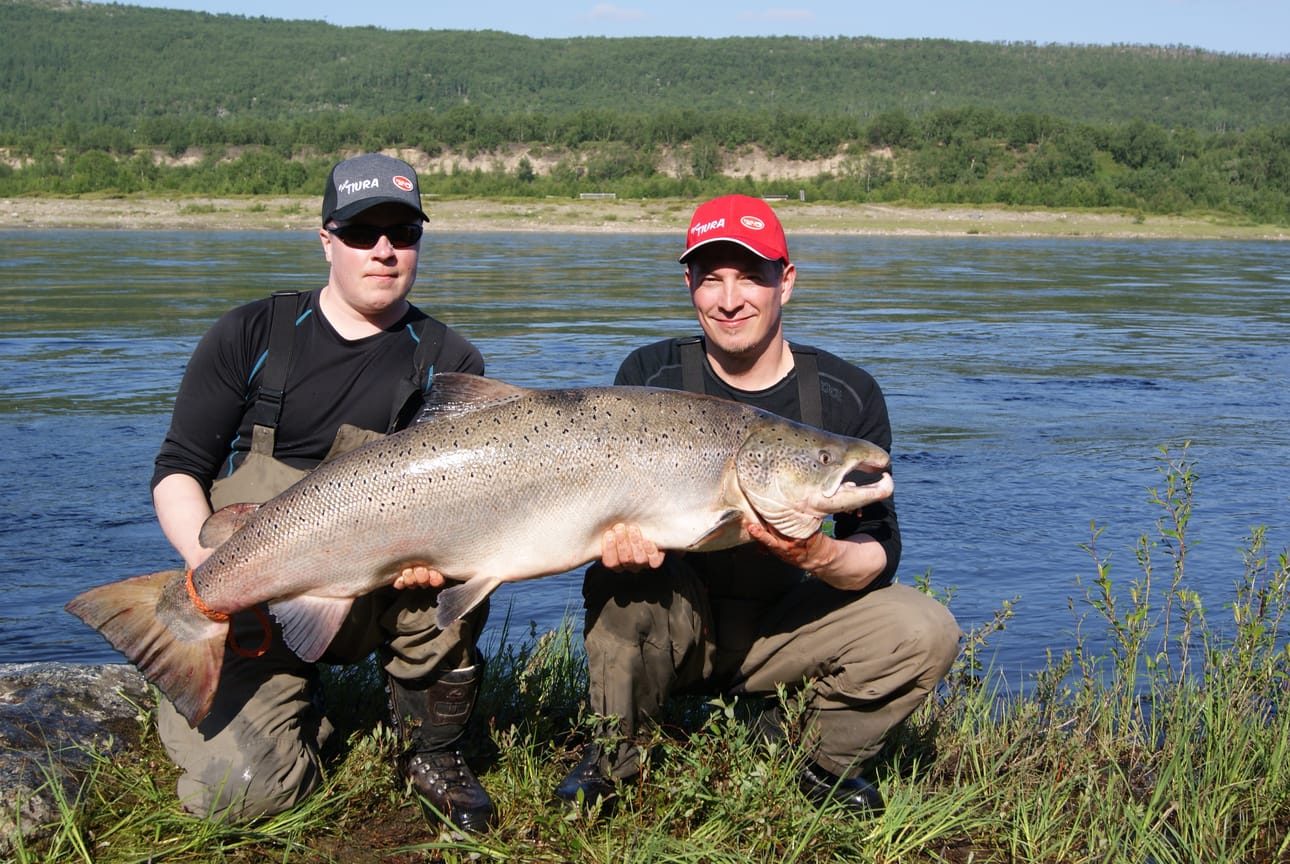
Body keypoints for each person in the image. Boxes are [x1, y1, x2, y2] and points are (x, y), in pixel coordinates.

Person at [551, 194, 962, 816]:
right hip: (680, 621)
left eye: (751, 277)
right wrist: (623, 545)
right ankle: (614, 757)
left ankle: (824, 765)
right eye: (711, 279)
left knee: (922, 629)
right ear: (688, 284)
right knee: (617, 583)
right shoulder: (649, 375)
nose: (730, 298)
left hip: (787, 630)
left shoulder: (847, 397)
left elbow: (879, 554)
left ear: (785, 283)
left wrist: (815, 549)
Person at [150, 153, 496, 832]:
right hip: (249, 604)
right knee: (243, 797)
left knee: (475, 553)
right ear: (327, 240)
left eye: (403, 232)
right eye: (363, 233)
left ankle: (427, 746)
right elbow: (179, 469)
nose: (385, 251)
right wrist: (206, 571)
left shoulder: (450, 361)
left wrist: (440, 554)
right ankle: (263, 691)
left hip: (375, 592)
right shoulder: (249, 334)